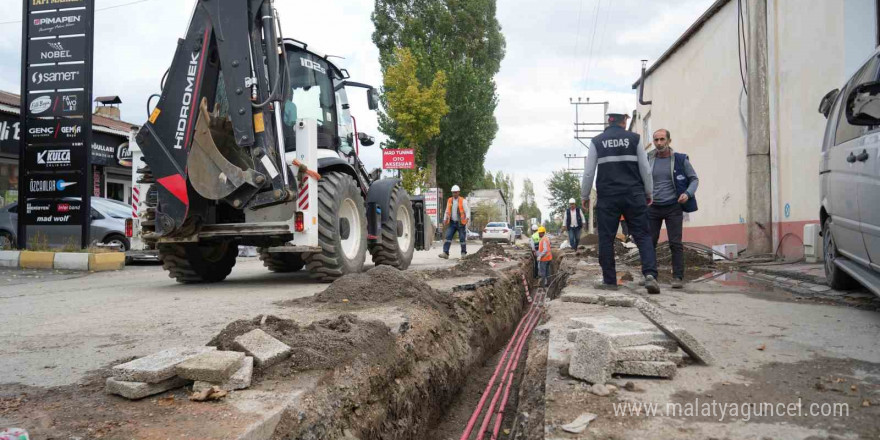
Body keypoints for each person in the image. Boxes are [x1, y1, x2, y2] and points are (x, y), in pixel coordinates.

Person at [580, 102, 661, 294]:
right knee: (642, 235)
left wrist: (585, 195)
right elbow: (646, 170)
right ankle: (650, 275)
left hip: (608, 197)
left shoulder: (597, 141)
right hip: (634, 195)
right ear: (625, 120)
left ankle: (609, 280)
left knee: (606, 239)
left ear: (609, 120)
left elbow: (589, 173)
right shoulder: (635, 139)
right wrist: (649, 192)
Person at [647, 129, 699, 289]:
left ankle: (677, 277)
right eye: (656, 140)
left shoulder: (680, 159)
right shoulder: (648, 158)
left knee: (675, 243)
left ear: (669, 141)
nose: (659, 143)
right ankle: (649, 276)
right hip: (653, 207)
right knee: (649, 242)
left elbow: (694, 179)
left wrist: (687, 193)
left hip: (673, 206)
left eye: (662, 139)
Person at [439, 185, 469, 259]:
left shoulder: (463, 200)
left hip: (461, 223)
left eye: (455, 192)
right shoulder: (449, 200)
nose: (454, 194)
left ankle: (463, 253)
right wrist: (444, 219)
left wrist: (467, 218)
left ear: (458, 192)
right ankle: (445, 253)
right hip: (452, 223)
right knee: (448, 237)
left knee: (462, 238)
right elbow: (447, 210)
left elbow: (467, 211)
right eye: (453, 193)